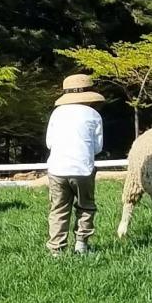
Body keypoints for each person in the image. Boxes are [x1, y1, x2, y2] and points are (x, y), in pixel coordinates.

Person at [45, 74, 105, 256]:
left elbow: (49, 143)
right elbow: (98, 147)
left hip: (56, 169)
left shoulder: (57, 113)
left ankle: (57, 250)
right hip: (83, 169)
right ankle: (81, 245)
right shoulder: (94, 115)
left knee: (58, 209)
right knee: (85, 206)